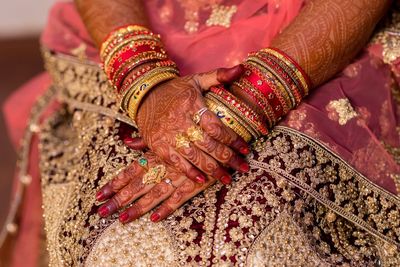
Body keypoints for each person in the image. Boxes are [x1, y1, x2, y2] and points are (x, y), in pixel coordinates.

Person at [2, 0, 400, 266]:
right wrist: (146, 83)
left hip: (320, 28)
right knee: (113, 236)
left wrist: (244, 106)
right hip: (137, 20)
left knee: (259, 238)